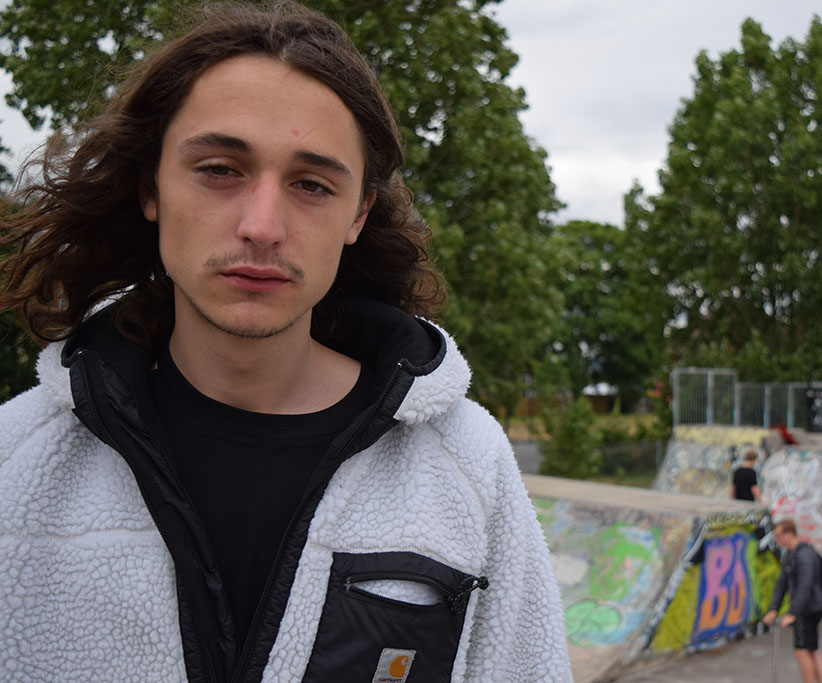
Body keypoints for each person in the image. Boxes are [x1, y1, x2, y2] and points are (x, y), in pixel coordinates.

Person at [0, 3, 570, 681]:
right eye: (220, 169)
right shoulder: (14, 462)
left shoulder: (467, 466)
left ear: (358, 213)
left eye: (311, 184)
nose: (263, 225)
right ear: (151, 186)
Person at [764, 519, 822, 683]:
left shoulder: (803, 556)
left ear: (788, 534)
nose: (777, 539)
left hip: (808, 610)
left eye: (778, 535)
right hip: (809, 607)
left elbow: (805, 586)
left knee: (803, 651)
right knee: (811, 650)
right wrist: (774, 608)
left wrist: (793, 613)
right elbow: (782, 583)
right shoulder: (792, 554)